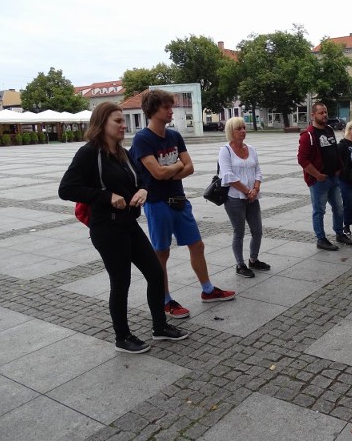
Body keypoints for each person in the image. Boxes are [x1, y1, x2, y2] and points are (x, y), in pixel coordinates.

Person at [59, 102, 189, 353]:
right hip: (107, 228)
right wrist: (106, 196)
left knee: (154, 272)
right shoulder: (89, 153)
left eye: (123, 121)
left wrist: (142, 190)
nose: (123, 125)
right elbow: (66, 189)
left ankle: (159, 328)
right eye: (117, 121)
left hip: (128, 224)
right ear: (102, 124)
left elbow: (140, 178)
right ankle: (122, 337)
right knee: (121, 282)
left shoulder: (122, 152)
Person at [130, 89, 235, 319]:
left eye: (171, 106)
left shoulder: (174, 136)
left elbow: (190, 167)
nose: (171, 111)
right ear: (152, 110)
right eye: (166, 107)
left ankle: (207, 290)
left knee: (197, 245)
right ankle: (165, 300)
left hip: (179, 201)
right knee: (161, 254)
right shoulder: (142, 139)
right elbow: (157, 174)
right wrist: (176, 167)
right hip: (157, 204)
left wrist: (171, 171)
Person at [298, 102, 352, 250]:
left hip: (333, 178)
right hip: (319, 180)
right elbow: (302, 159)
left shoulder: (329, 130)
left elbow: (334, 151)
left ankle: (339, 233)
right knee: (319, 210)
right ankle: (321, 239)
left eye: (326, 112)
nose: (324, 115)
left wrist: (338, 168)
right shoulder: (308, 135)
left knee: (339, 207)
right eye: (321, 113)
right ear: (313, 115)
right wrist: (317, 175)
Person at [219, 117, 270, 277]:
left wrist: (255, 189)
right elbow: (227, 175)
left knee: (257, 231)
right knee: (239, 232)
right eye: (238, 129)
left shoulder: (251, 149)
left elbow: (258, 171)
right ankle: (240, 265)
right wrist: (247, 191)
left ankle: (253, 260)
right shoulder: (225, 150)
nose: (243, 131)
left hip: (253, 197)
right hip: (234, 198)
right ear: (230, 132)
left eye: (244, 128)